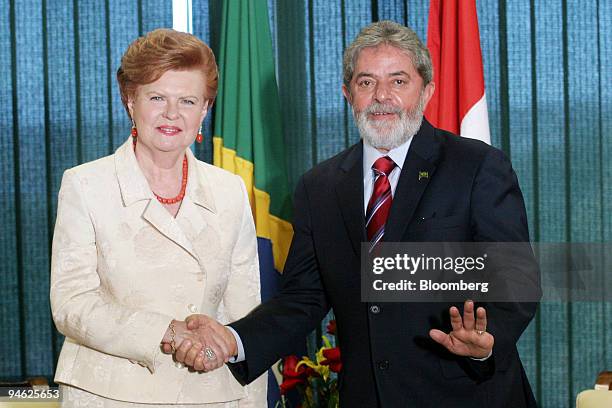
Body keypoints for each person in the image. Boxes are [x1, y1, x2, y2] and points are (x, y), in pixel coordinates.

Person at [176, 21, 540, 407]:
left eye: (398, 81)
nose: (382, 96)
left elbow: (515, 278)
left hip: (471, 394)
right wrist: (233, 340)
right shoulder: (320, 187)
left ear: (427, 91)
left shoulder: (477, 166)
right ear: (348, 94)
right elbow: (303, 299)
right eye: (367, 83)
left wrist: (486, 343)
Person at [50, 28, 265, 407]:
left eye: (187, 100)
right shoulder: (85, 185)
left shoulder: (230, 190)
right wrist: (164, 331)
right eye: (157, 97)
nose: (171, 113)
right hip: (109, 395)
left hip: (214, 394)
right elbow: (72, 304)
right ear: (130, 100)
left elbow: (244, 315)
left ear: (205, 108)